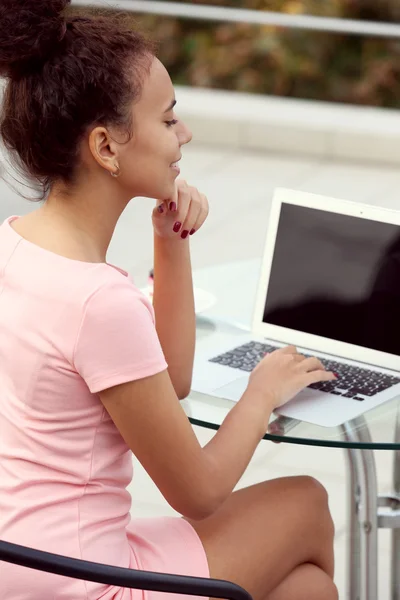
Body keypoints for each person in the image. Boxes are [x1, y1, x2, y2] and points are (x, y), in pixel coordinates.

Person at [0, 2, 338, 599]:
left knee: (307, 589)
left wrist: (170, 242)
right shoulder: (98, 299)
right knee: (306, 501)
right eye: (168, 119)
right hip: (83, 584)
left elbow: (167, 381)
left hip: (25, 562)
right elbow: (200, 493)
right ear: (105, 147)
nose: (184, 135)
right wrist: (262, 391)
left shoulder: (14, 244)